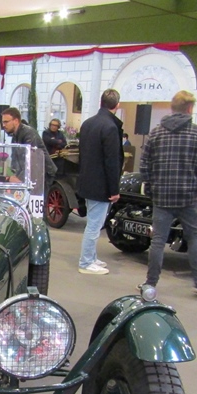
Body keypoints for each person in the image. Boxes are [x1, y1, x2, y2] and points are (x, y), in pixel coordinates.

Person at [139, 90, 197, 297]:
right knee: (194, 237)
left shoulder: (156, 133)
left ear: (172, 108)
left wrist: (151, 186)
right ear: (190, 108)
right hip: (189, 196)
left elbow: (144, 164)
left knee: (158, 240)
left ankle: (150, 283)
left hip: (162, 196)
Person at [75, 88, 124, 275]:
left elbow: (82, 155)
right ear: (117, 105)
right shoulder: (110, 127)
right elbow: (112, 162)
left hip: (87, 181)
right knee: (94, 225)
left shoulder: (88, 124)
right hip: (101, 185)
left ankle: (92, 257)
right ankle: (86, 262)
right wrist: (114, 189)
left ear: (101, 103)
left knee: (93, 222)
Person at [0, 106, 57, 184]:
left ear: (16, 121)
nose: (3, 125)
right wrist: (14, 176)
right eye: (3, 122)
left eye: (6, 122)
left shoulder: (28, 133)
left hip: (43, 174)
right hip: (32, 173)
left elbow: (31, 160)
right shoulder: (15, 135)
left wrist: (19, 179)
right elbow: (16, 160)